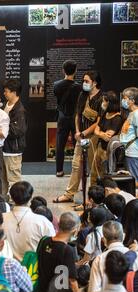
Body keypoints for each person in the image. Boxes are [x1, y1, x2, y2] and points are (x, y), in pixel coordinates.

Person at [54, 71, 103, 203]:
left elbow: (99, 121)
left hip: (93, 137)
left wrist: (84, 133)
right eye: (83, 81)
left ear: (95, 83)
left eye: (87, 81)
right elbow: (78, 115)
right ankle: (69, 194)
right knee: (76, 165)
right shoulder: (82, 95)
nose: (84, 83)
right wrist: (77, 132)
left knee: (93, 167)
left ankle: (91, 198)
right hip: (80, 136)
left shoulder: (102, 98)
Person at [3, 181, 55, 261]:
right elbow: (52, 248)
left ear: (12, 198)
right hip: (34, 270)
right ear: (30, 198)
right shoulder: (42, 222)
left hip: (6, 269)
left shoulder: (1, 220)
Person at [88, 221, 138, 292]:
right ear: (123, 236)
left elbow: (93, 291)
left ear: (104, 240)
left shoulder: (99, 259)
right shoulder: (135, 255)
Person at [37, 212, 80, 292]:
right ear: (74, 230)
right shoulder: (67, 250)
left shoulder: (44, 240)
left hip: (42, 291)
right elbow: (72, 281)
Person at [54, 60, 82, 177]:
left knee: (60, 144)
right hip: (75, 117)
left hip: (62, 117)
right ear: (75, 71)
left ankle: (59, 170)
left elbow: (58, 99)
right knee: (77, 145)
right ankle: (77, 171)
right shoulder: (79, 87)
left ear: (63, 70)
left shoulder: (56, 85)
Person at [2, 79, 27, 195]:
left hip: (13, 151)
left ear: (14, 92)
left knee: (14, 181)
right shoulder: (7, 105)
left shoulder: (19, 110)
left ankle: (18, 204)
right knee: (3, 180)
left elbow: (17, 131)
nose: (4, 93)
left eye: (6, 91)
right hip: (4, 149)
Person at [92, 91, 124, 183]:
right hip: (99, 148)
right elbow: (96, 130)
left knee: (105, 175)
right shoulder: (105, 114)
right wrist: (101, 133)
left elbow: (108, 136)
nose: (103, 103)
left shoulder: (117, 118)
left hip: (108, 152)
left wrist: (99, 133)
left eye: (104, 101)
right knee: (94, 173)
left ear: (109, 102)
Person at [119, 87, 138, 181]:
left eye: (125, 98)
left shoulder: (136, 114)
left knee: (134, 183)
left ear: (132, 100)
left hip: (134, 153)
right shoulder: (131, 113)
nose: (123, 100)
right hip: (130, 153)